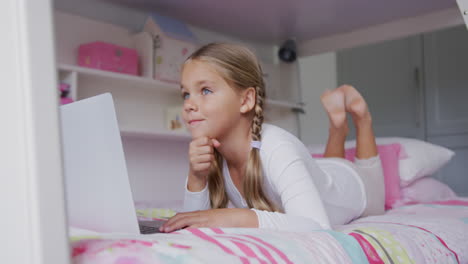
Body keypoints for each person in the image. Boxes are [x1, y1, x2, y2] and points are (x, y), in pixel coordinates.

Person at [159, 43, 385, 233]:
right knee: (324, 177)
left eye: (205, 90)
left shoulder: (277, 146)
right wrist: (196, 178)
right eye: (185, 94)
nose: (188, 104)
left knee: (357, 187)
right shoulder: (213, 154)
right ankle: (337, 127)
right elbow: (195, 222)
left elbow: (316, 227)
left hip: (354, 185)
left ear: (246, 100)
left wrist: (236, 217)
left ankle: (361, 117)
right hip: (324, 175)